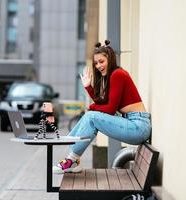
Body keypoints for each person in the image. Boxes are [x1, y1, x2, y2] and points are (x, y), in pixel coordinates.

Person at [53, 40, 151, 174]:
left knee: (91, 116)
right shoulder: (113, 76)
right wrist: (88, 87)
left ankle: (72, 157)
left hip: (138, 126)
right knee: (91, 115)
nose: (98, 66)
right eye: (96, 63)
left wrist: (92, 108)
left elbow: (109, 109)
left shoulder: (118, 74)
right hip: (133, 123)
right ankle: (71, 153)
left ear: (110, 59)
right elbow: (103, 104)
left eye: (101, 61)